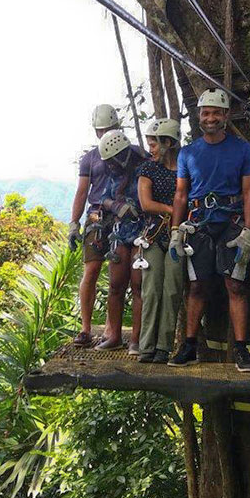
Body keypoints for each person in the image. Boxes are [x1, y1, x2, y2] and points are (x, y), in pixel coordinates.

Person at [167, 88, 250, 372]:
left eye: (216, 113)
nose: (210, 118)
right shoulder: (188, 153)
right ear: (199, 116)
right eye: (206, 113)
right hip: (199, 224)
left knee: (235, 284)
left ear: (226, 115)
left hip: (231, 223)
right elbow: (181, 194)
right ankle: (190, 346)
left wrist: (249, 231)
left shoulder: (242, 149)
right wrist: (175, 230)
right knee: (197, 286)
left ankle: (241, 349)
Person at [68, 104, 120, 347]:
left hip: (122, 217)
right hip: (97, 217)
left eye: (108, 129)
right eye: (101, 130)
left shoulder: (130, 153)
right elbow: (82, 192)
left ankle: (111, 328)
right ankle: (85, 328)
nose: (104, 134)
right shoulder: (90, 159)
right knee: (91, 271)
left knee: (117, 275)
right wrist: (74, 223)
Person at [135, 118, 183, 364]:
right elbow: (146, 204)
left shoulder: (185, 167)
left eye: (154, 144)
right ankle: (147, 346)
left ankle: (164, 346)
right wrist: (171, 209)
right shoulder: (147, 169)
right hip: (154, 235)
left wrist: (175, 214)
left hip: (178, 234)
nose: (151, 149)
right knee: (152, 289)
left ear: (168, 143)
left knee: (172, 289)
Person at [96, 129, 147, 353]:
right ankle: (114, 336)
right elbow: (103, 197)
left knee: (138, 286)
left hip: (142, 231)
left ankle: (136, 339)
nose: (110, 166)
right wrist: (116, 206)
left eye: (112, 161)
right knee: (116, 285)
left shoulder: (144, 168)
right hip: (120, 231)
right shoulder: (114, 173)